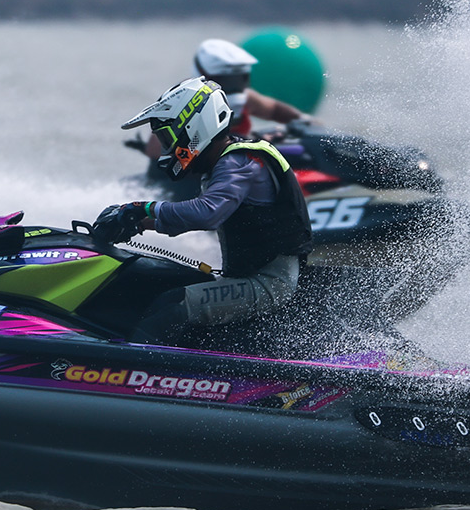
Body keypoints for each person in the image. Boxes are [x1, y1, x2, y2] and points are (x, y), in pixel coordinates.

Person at [93, 77, 314, 339]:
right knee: (152, 284)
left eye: (167, 138)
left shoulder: (238, 162)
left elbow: (206, 213)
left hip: (269, 282)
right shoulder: (222, 162)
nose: (167, 149)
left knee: (173, 305)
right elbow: (189, 217)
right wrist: (136, 223)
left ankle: (124, 361)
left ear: (193, 127)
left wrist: (143, 208)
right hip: (251, 276)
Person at [140, 39, 316, 163]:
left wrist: (306, 122)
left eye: (238, 80)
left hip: (234, 170)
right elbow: (154, 151)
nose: (233, 87)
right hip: (186, 181)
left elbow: (274, 110)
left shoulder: (247, 98)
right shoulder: (185, 100)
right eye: (226, 80)